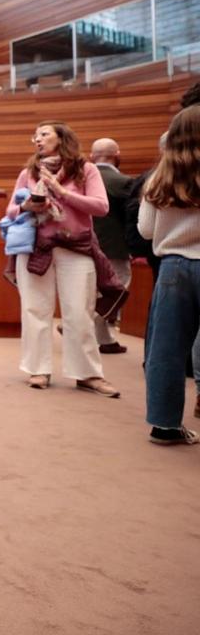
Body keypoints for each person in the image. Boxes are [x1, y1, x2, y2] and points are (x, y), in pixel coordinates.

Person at [6, 121, 120, 397]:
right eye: (35, 135)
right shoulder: (28, 173)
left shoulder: (86, 169)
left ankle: (87, 374)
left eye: (44, 133)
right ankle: (38, 369)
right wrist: (25, 206)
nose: (38, 138)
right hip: (36, 247)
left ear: (62, 138)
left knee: (79, 312)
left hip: (76, 247)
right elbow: (11, 210)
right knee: (34, 310)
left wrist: (62, 192)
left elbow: (101, 207)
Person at [138, 105, 200, 445]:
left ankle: (164, 425)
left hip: (173, 267)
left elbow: (146, 231)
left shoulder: (158, 177)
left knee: (167, 348)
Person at [89, 137, 135, 354]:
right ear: (117, 155)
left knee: (93, 292)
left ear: (92, 156)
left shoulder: (79, 179)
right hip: (114, 246)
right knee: (118, 289)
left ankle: (105, 339)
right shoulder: (124, 182)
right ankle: (84, 322)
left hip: (83, 244)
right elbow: (132, 218)